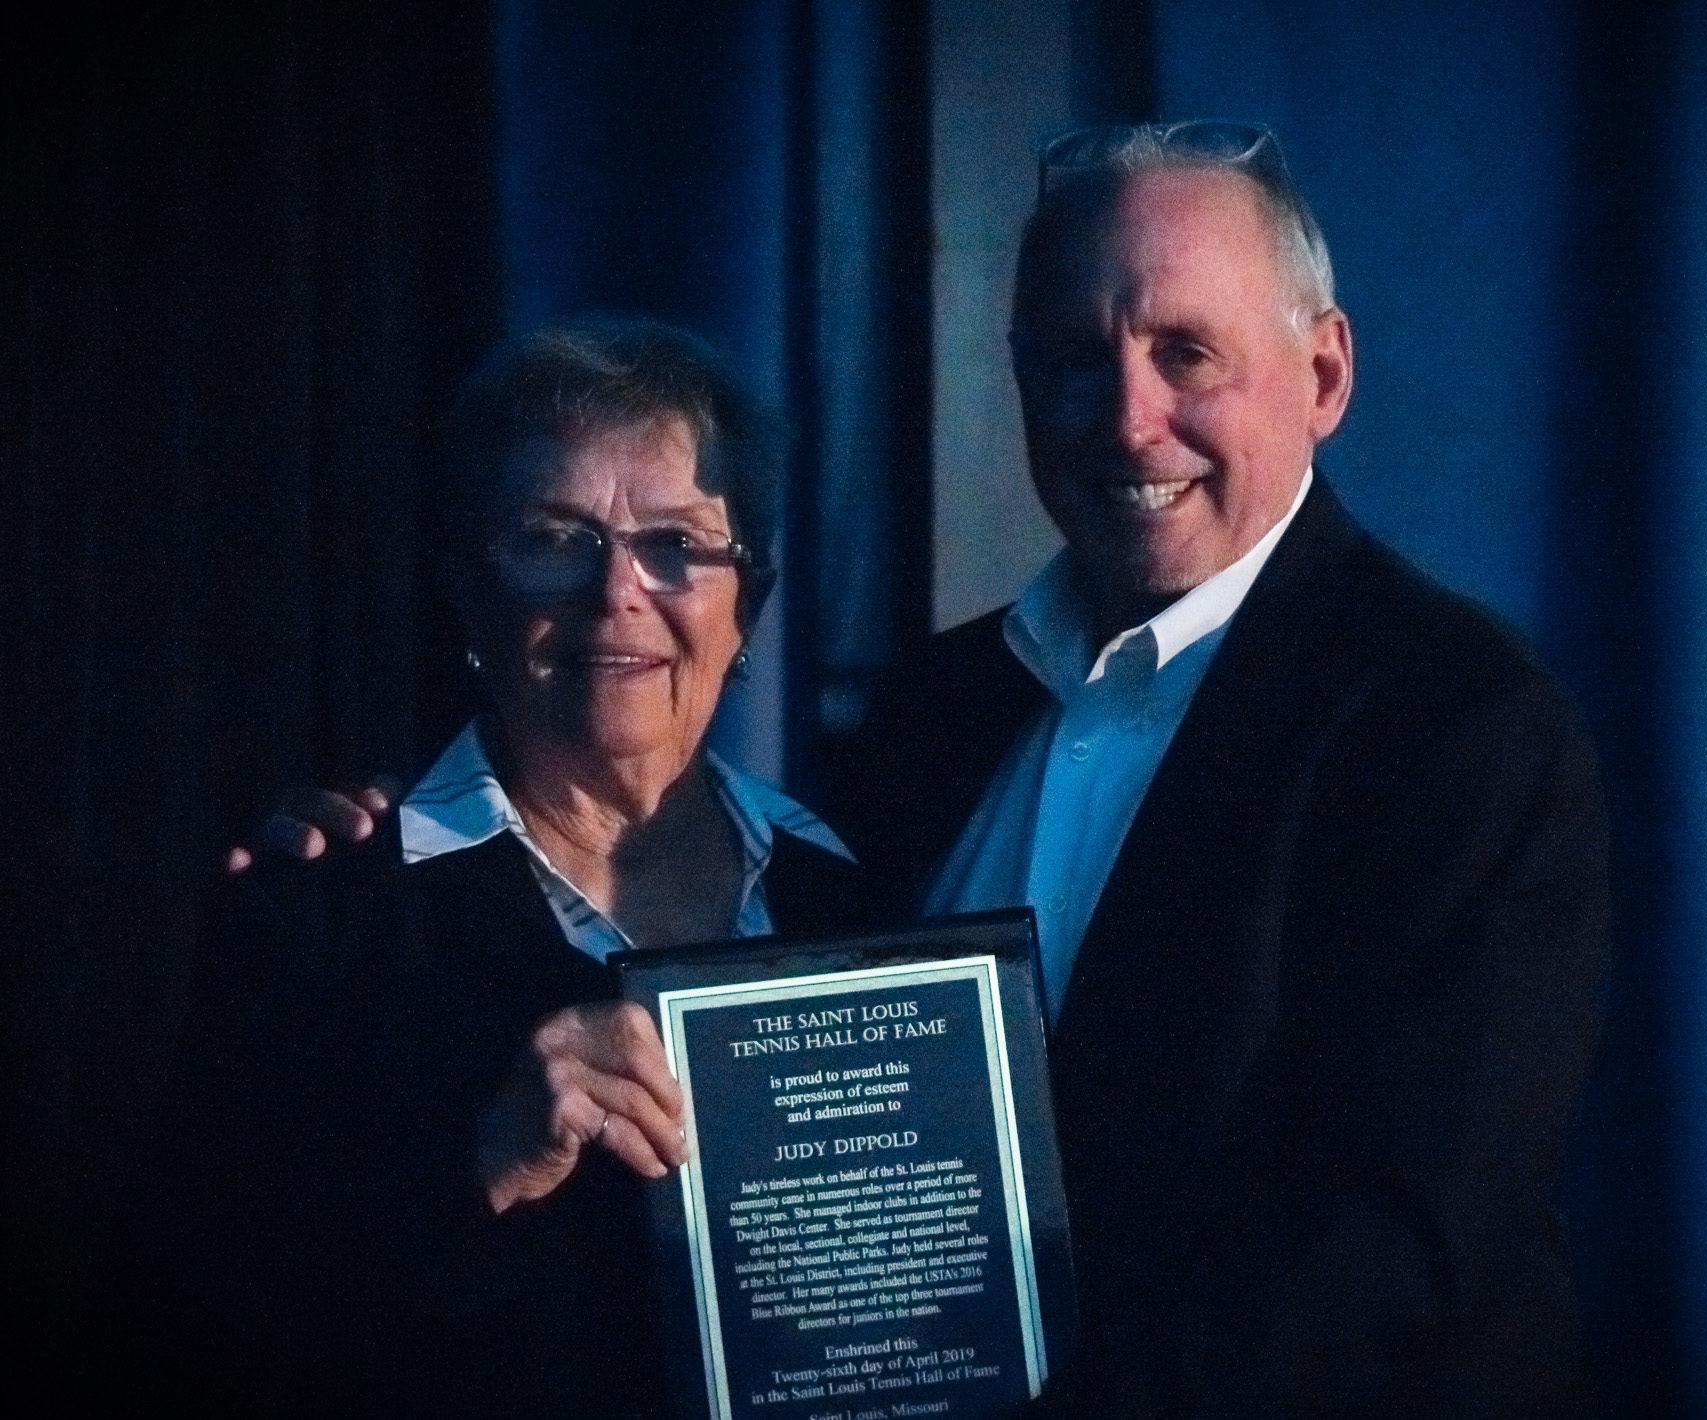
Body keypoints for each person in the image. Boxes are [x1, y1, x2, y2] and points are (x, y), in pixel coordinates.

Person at [231, 124, 1612, 1415]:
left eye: (1182, 354)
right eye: (1072, 358)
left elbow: (1397, 1244)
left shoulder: (1453, 725)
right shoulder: (925, 727)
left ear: (1321, 376)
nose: (1122, 416)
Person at [113, 317, 868, 1415]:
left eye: (676, 543)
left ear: (746, 597)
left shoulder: (852, 891)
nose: (616, 591)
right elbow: (183, 1339)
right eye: (553, 538)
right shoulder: (320, 908)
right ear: (469, 591)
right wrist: (484, 1167)